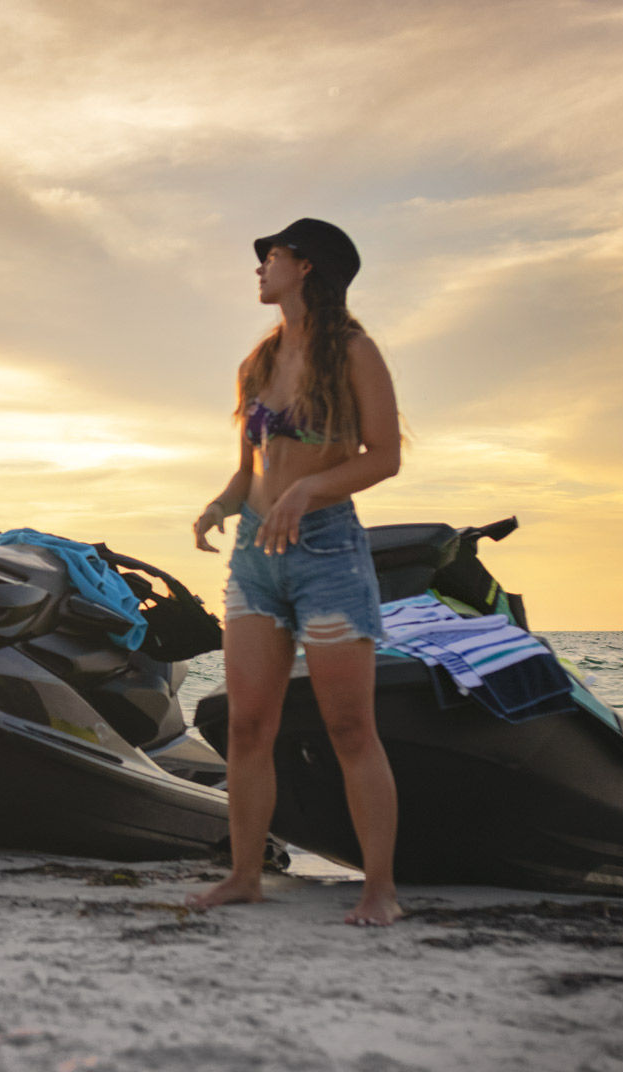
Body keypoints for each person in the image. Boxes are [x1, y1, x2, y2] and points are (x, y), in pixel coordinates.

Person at [187, 219, 405, 925]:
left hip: (328, 557)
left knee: (350, 728)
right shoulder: (258, 360)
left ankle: (380, 891)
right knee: (249, 726)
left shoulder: (353, 351)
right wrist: (222, 504)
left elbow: (383, 456)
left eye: (271, 257)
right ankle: (244, 876)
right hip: (256, 559)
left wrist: (309, 491)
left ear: (305, 267)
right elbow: (252, 462)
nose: (260, 268)